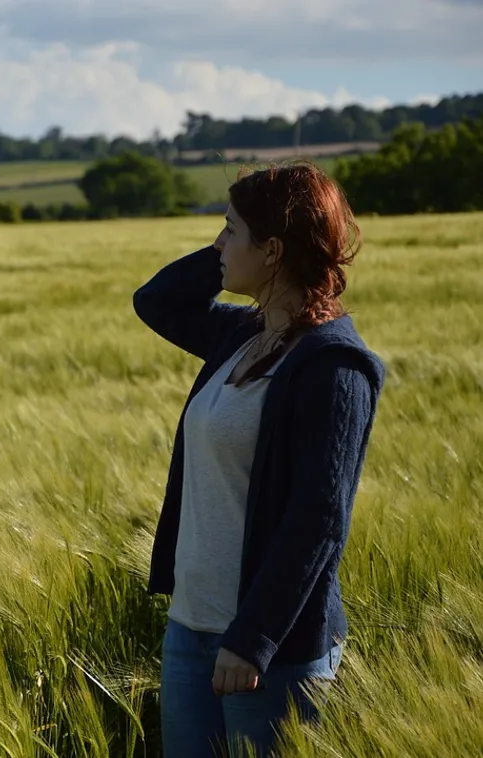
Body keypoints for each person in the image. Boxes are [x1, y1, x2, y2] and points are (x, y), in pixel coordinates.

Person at [132, 162, 386, 757]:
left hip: (268, 649)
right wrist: (235, 242)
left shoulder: (333, 366)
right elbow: (156, 299)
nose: (218, 244)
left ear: (272, 250)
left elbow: (319, 519)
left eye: (229, 231)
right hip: (190, 627)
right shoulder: (241, 335)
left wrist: (253, 639)